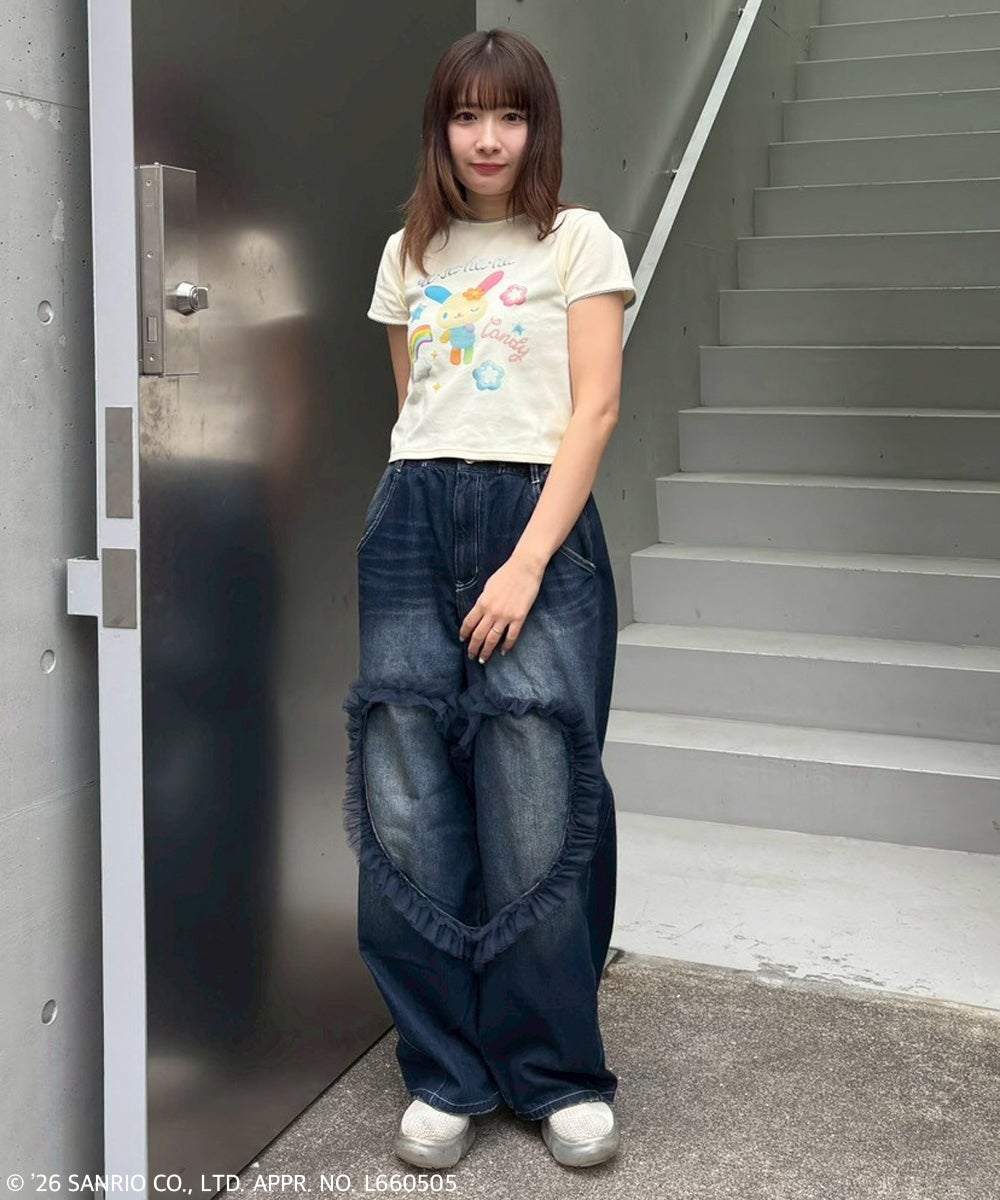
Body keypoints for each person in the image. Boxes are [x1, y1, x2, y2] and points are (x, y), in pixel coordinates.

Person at [342, 27, 636, 1172]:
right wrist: (438, 522)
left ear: (536, 127)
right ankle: (444, 1071)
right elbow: (415, 410)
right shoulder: (407, 253)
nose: (488, 137)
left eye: (509, 115)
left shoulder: (578, 241)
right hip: (414, 518)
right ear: (441, 129)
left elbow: (593, 410)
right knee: (407, 799)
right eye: (466, 115)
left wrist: (524, 561)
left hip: (537, 524)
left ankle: (555, 1071)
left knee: (538, 798)